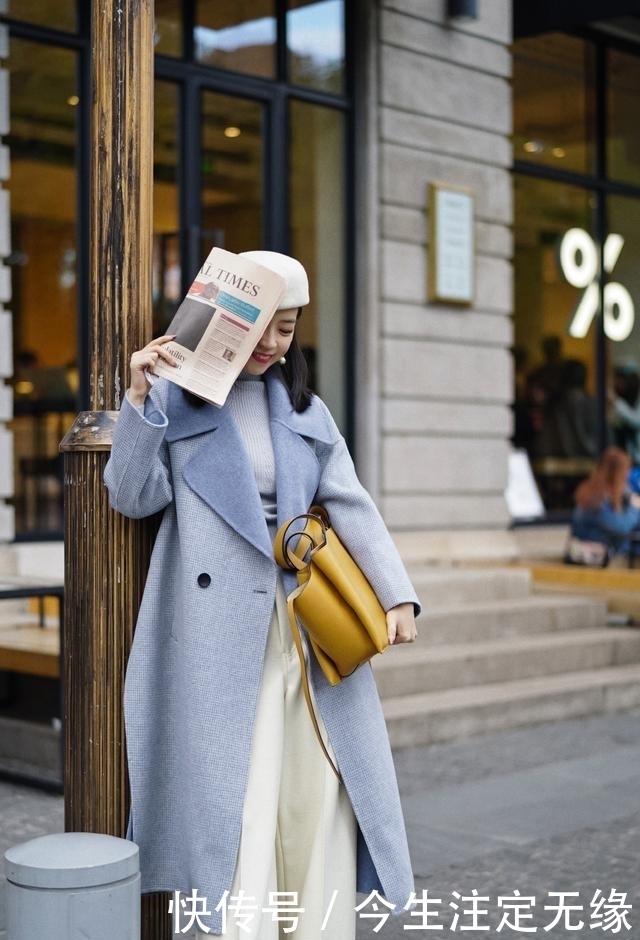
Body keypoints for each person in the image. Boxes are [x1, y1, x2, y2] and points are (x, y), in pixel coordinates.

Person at [103, 250, 420, 938]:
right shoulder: (171, 402)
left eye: (288, 328)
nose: (273, 344)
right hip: (212, 626)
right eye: (262, 327)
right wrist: (135, 402)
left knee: (317, 791)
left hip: (305, 621)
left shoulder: (306, 409)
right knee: (238, 797)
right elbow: (130, 499)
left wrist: (397, 596)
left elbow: (352, 502)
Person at [567, 446, 640, 564]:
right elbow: (620, 528)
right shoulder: (596, 497)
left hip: (611, 545)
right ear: (616, 474)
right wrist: (634, 509)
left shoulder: (610, 492)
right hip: (599, 549)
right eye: (625, 472)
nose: (627, 476)